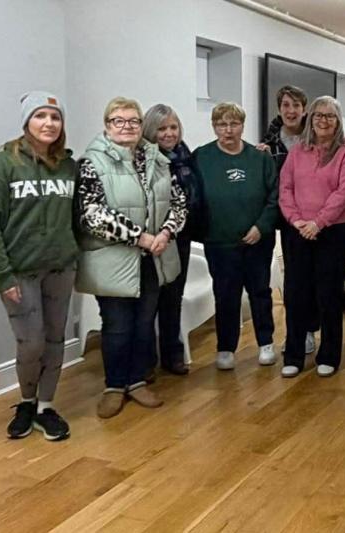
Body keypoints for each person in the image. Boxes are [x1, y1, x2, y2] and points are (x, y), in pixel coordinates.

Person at [0, 91, 77, 440]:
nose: (49, 123)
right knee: (31, 343)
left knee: (56, 339)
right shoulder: (3, 164)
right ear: (26, 121)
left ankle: (46, 407)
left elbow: (76, 218)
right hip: (19, 272)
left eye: (55, 117)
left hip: (61, 269)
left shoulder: (68, 166)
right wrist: (1, 276)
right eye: (40, 116)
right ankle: (27, 402)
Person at [75, 97, 187, 419]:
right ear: (107, 125)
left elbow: (178, 202)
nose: (127, 127)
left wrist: (166, 233)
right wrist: (140, 237)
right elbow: (91, 214)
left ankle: (137, 381)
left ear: (141, 125)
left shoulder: (157, 159)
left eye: (133, 121)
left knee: (143, 323)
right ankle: (114, 386)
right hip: (112, 261)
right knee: (117, 326)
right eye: (118, 121)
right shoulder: (91, 162)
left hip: (153, 258)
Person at [193, 102, 278, 371]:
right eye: (221, 124)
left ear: (242, 125)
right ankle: (226, 348)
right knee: (225, 295)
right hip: (220, 242)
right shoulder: (201, 157)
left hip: (257, 240)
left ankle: (266, 343)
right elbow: (191, 196)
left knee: (260, 292)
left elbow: (275, 196)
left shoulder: (260, 158)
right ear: (214, 127)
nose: (228, 130)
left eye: (234, 124)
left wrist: (261, 227)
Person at [278, 95, 345, 378]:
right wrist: (296, 220)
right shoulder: (297, 151)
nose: (324, 120)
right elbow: (285, 188)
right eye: (318, 115)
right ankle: (293, 355)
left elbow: (344, 192)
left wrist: (319, 222)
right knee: (296, 293)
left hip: (333, 231)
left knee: (329, 294)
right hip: (298, 229)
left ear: (338, 121)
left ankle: (329, 355)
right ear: (310, 119)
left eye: (330, 116)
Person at [142, 104, 199, 376]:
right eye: (162, 128)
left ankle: (172, 354)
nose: (169, 133)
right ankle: (146, 361)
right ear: (150, 131)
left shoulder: (185, 155)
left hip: (180, 237)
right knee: (149, 302)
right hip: (151, 239)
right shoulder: (143, 159)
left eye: (173, 127)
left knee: (173, 297)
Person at [260, 85, 317, 356]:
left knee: (312, 279)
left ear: (304, 110)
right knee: (293, 280)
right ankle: (297, 333)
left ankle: (311, 330)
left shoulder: (316, 138)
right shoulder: (269, 143)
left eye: (296, 105)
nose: (290, 111)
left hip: (315, 220)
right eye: (285, 105)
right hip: (286, 221)